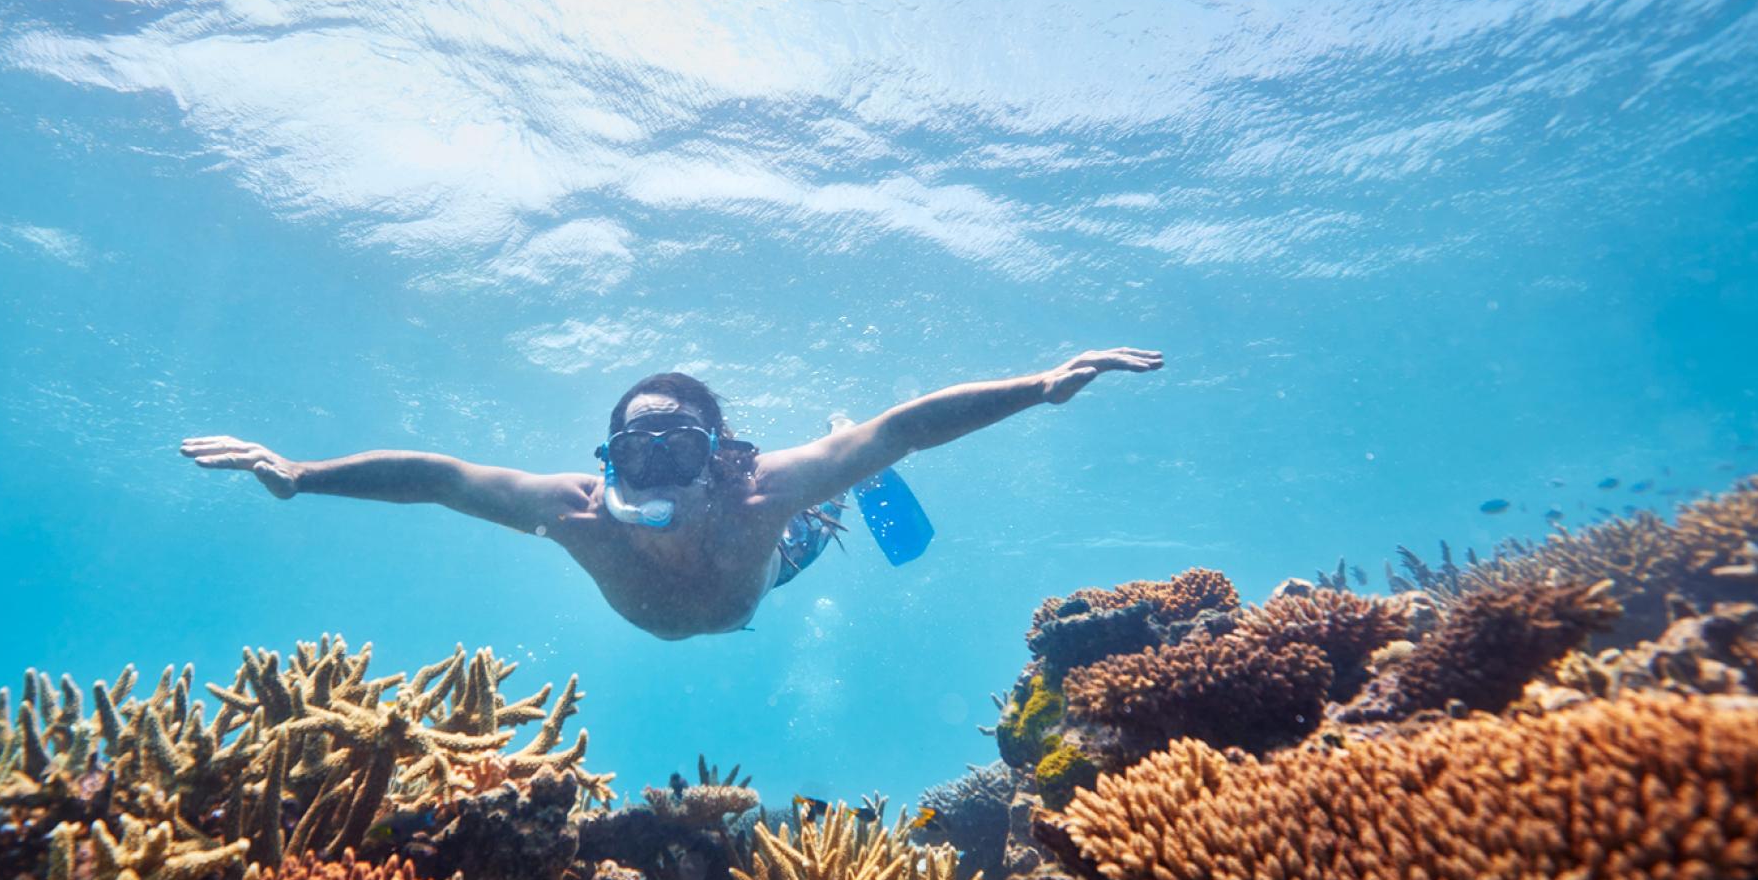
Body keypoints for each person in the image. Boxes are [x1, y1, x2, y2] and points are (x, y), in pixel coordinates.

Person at [182, 347, 1163, 640]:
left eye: (677, 447)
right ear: (609, 460)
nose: (656, 471)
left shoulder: (756, 490)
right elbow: (439, 479)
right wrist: (300, 476)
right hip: (725, 572)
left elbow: (904, 426)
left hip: (773, 562)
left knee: (842, 477)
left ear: (719, 452)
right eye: (635, 453)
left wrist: (1038, 388)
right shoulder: (569, 508)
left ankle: (838, 459)